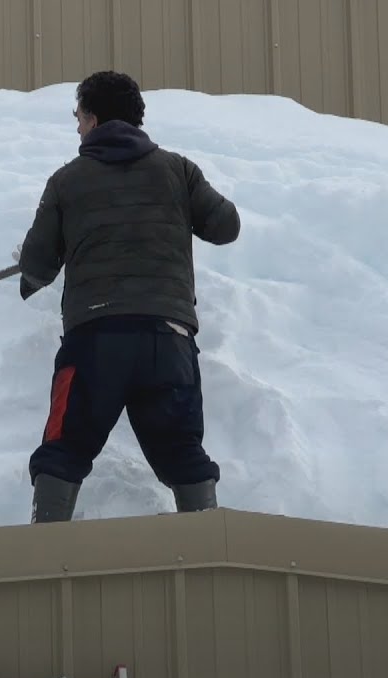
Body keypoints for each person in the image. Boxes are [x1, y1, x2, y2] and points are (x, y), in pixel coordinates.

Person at [15, 70, 241, 522]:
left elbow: (37, 266)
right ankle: (204, 557)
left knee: (64, 449)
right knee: (182, 452)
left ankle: (42, 558)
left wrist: (34, 268)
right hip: (167, 340)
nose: (77, 126)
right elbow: (226, 226)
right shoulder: (178, 170)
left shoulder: (67, 181)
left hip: (95, 341)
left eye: (78, 117)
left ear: (94, 119)